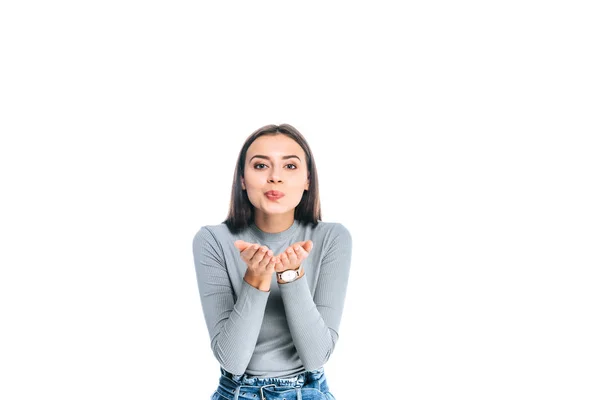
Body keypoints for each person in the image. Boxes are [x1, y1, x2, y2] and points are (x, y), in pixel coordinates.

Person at [192, 124, 352, 400]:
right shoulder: (212, 240)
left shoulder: (332, 237)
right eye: (261, 166)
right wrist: (256, 278)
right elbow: (231, 360)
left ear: (308, 180)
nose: (275, 178)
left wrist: (291, 275)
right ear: (242, 179)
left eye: (290, 167)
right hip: (236, 392)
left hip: (309, 391)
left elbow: (317, 356)